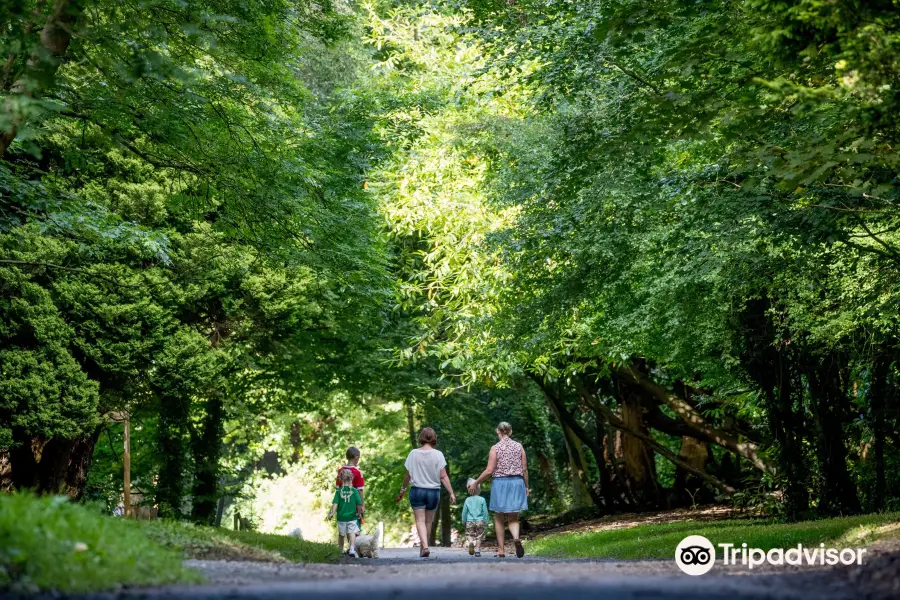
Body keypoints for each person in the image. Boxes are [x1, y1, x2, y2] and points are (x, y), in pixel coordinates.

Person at [469, 421, 529, 558]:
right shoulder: (519, 447)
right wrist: (526, 486)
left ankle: (501, 550)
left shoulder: (495, 448)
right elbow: (524, 469)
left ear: (498, 432)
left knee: (499, 517)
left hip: (500, 484)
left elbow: (490, 470)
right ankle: (516, 538)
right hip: (517, 482)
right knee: (513, 517)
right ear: (511, 431)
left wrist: (476, 482)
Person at [396, 427, 456, 558]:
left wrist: (403, 489)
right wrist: (451, 492)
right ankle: (424, 547)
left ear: (421, 438)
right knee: (428, 522)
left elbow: (407, 475)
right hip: (433, 492)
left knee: (420, 521)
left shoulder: (413, 454)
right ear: (434, 438)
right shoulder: (438, 454)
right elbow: (444, 476)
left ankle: (425, 547)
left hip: (417, 491)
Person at [328, 468, 363, 557]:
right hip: (352, 517)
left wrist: (332, 513)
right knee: (352, 533)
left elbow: (335, 503)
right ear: (351, 479)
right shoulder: (354, 491)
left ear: (341, 479)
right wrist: (359, 513)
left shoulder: (339, 491)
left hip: (341, 517)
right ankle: (351, 549)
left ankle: (340, 550)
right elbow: (359, 503)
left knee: (341, 535)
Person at [336, 446, 365, 551]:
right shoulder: (357, 472)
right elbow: (360, 490)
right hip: (354, 504)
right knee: (354, 526)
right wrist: (362, 505)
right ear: (356, 458)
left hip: (342, 504)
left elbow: (338, 488)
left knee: (343, 527)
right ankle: (352, 548)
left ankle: (345, 548)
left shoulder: (340, 471)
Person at [462, 477, 489, 557]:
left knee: (469, 534)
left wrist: (464, 520)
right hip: (480, 520)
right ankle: (477, 549)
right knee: (479, 536)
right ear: (479, 489)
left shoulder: (467, 500)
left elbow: (464, 511)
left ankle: (470, 543)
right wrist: (486, 520)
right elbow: (485, 511)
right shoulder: (482, 499)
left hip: (469, 521)